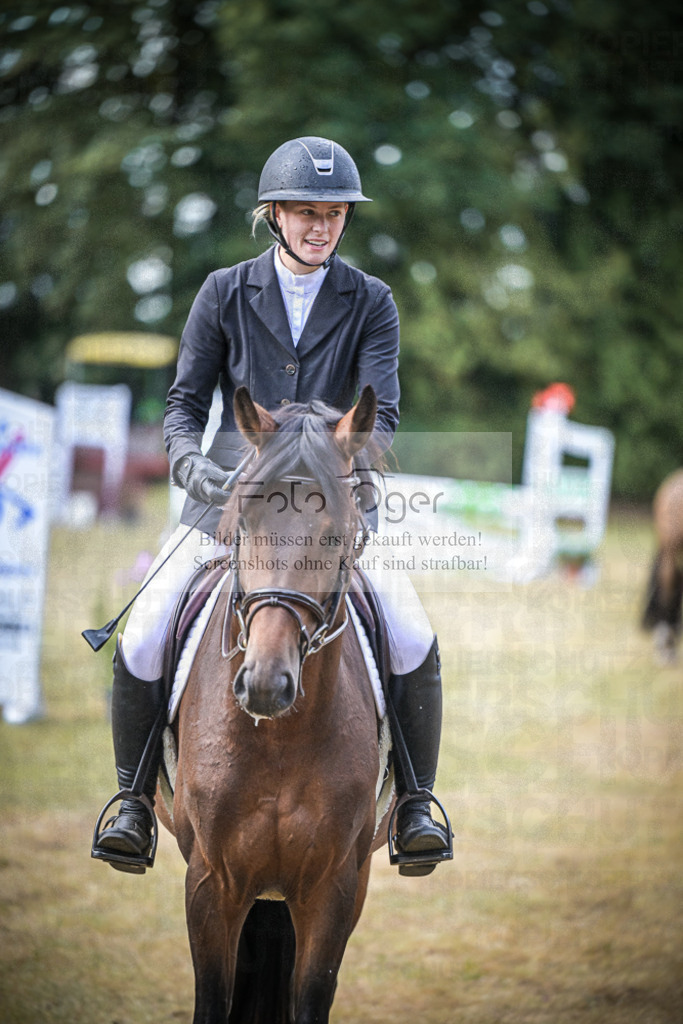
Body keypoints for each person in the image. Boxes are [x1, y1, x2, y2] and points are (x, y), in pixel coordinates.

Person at [92, 136, 450, 876]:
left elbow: (381, 416)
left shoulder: (371, 301)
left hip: (329, 508)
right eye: (307, 212)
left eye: (334, 214)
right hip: (232, 501)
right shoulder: (223, 291)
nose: (321, 227)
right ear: (275, 214)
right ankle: (132, 802)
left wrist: (338, 458)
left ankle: (417, 804)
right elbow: (184, 404)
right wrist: (191, 465)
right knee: (144, 632)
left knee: (412, 632)